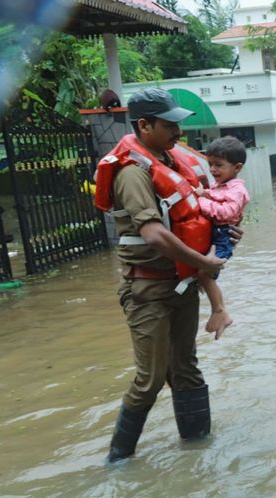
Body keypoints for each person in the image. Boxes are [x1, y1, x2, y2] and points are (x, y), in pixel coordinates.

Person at [93, 87, 228, 463]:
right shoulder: (131, 173)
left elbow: (194, 215)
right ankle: (118, 462)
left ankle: (198, 452)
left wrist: (221, 234)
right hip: (148, 289)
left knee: (186, 369)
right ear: (144, 125)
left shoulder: (168, 162)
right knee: (149, 379)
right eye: (170, 126)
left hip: (181, 286)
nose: (179, 133)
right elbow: (153, 234)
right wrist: (204, 264)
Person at [194, 135, 250, 340]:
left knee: (205, 273)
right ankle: (218, 310)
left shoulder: (237, 190)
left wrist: (200, 201)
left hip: (223, 236)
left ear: (237, 167)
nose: (213, 170)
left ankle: (220, 311)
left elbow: (225, 213)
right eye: (210, 164)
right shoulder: (221, 185)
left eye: (219, 165)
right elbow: (216, 198)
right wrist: (206, 194)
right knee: (202, 273)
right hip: (217, 234)